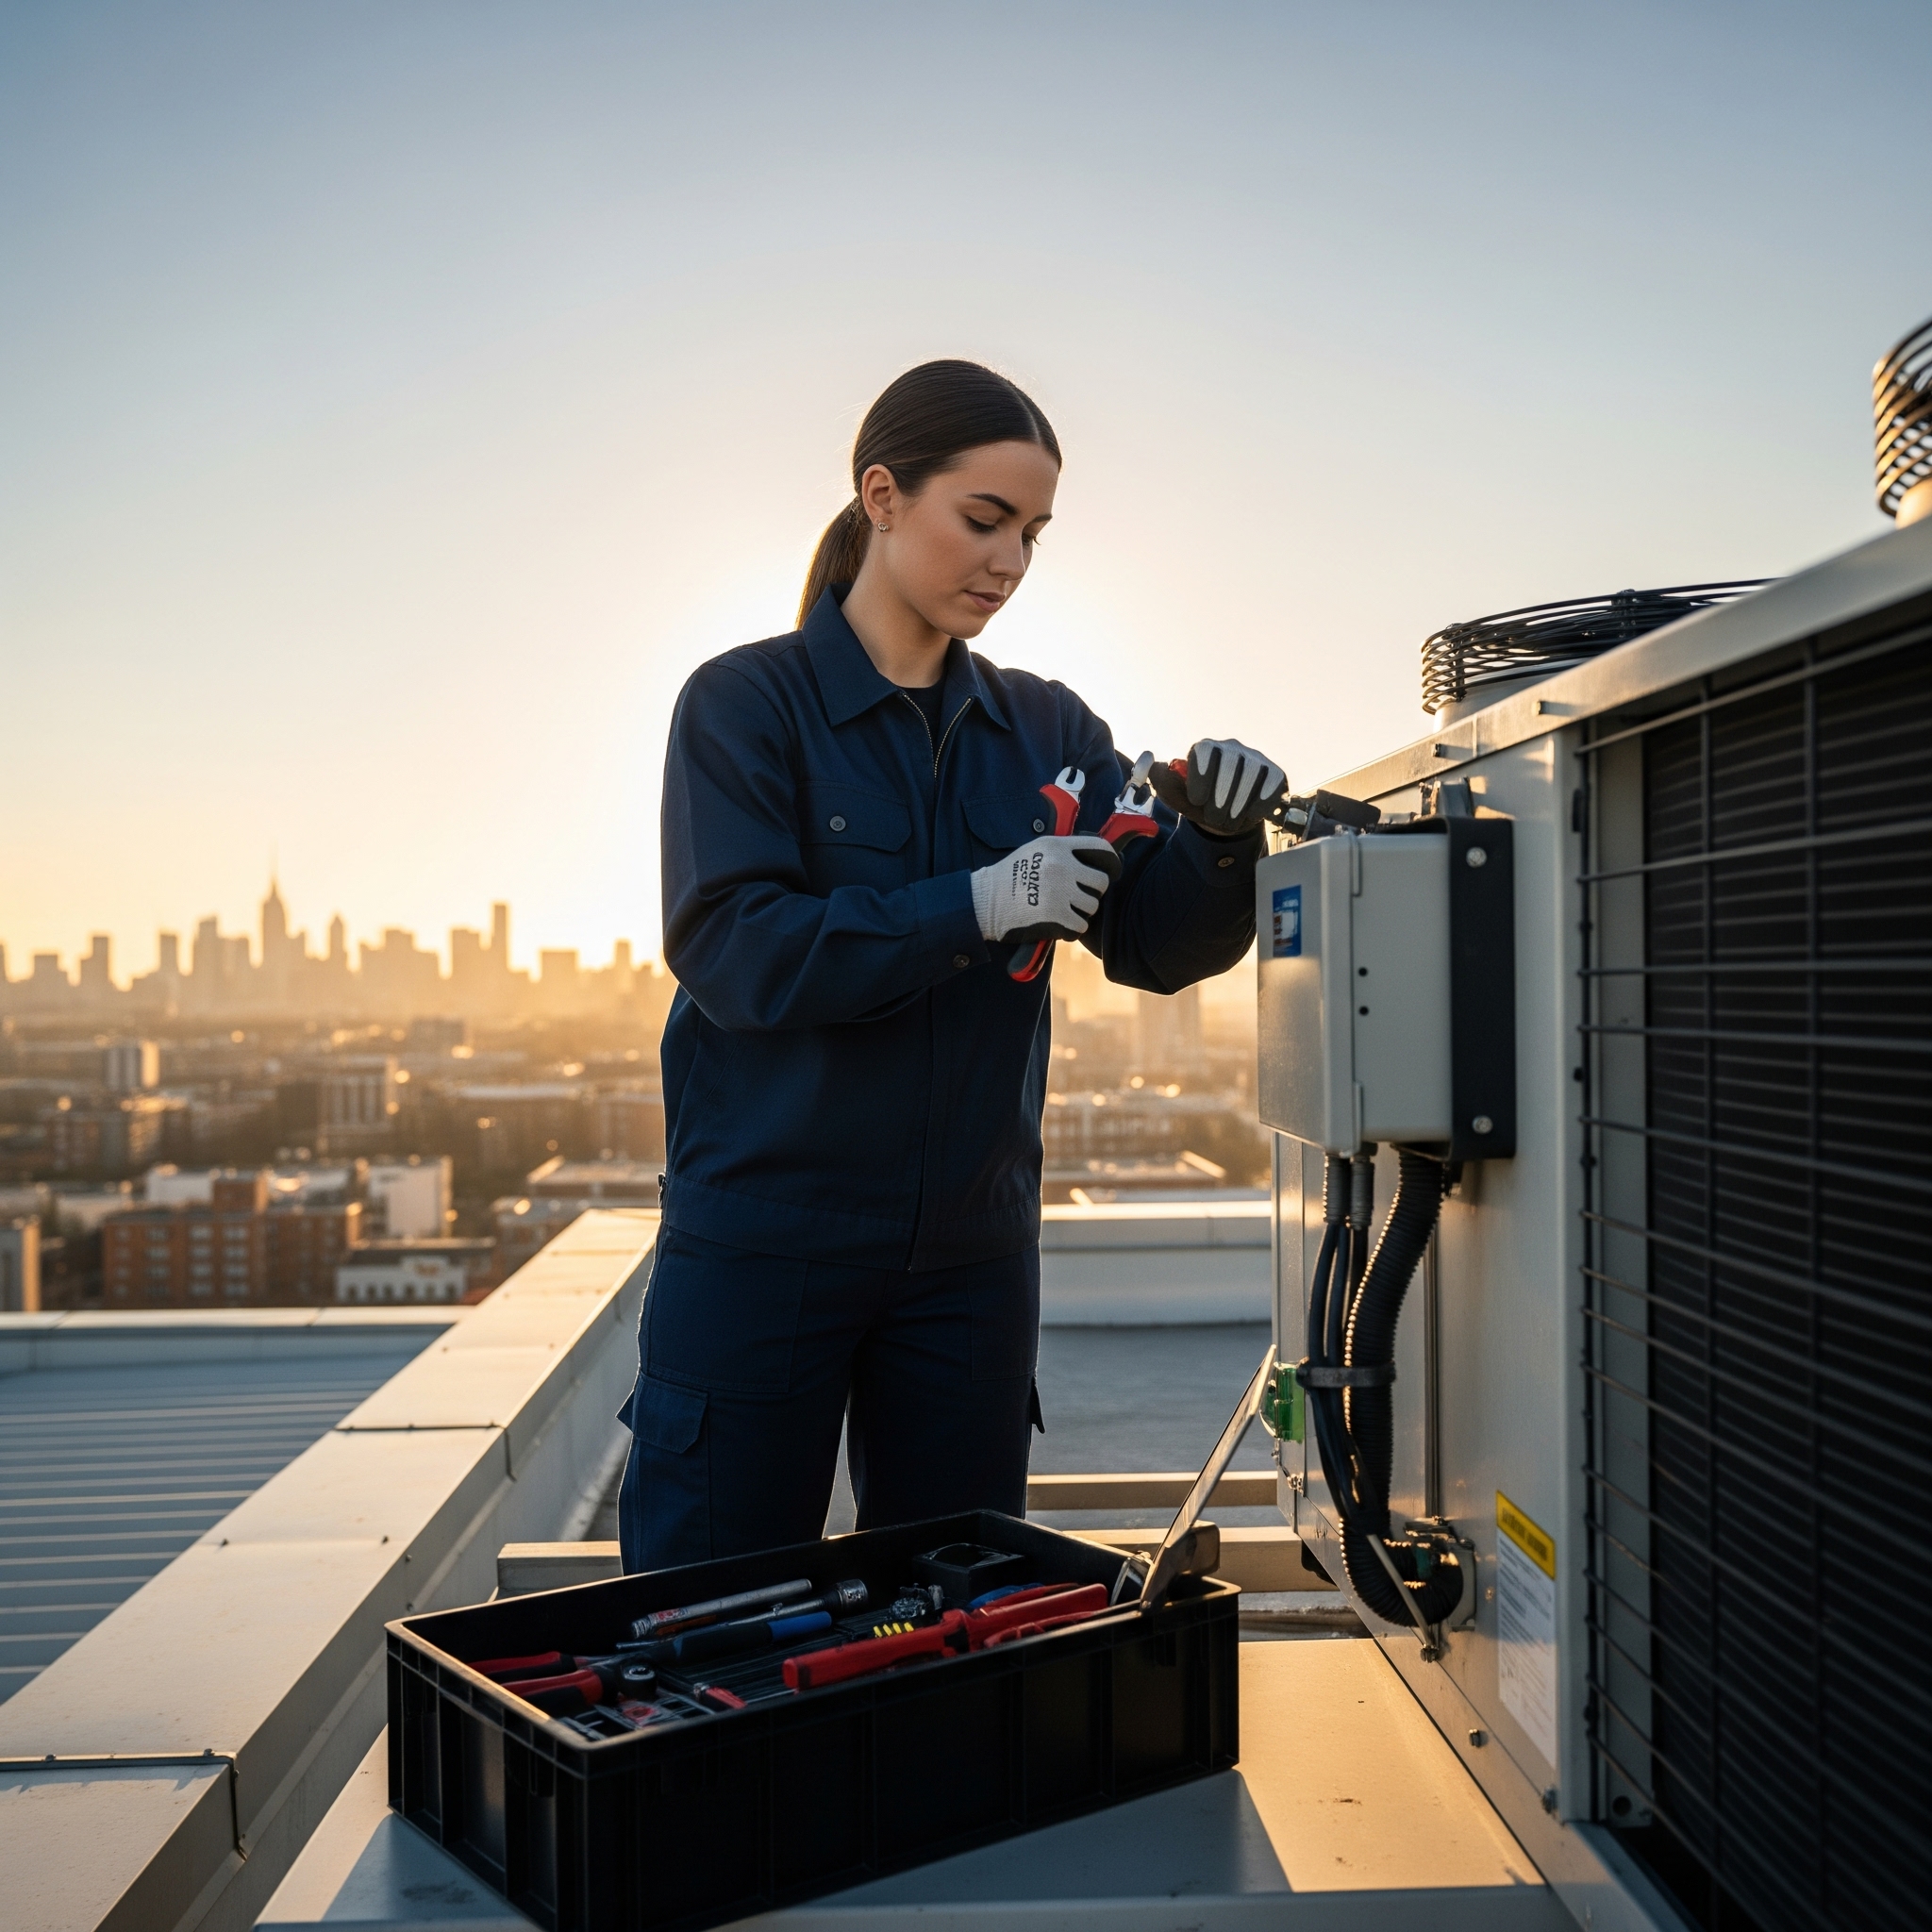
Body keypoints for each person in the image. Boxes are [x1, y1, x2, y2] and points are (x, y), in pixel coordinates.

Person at [618, 359, 1287, 1572]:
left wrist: (1222, 842)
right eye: (982, 520)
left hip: (971, 1258)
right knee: (702, 1601)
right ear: (880, 495)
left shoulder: (1051, 732)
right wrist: (971, 905)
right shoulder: (743, 706)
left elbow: (1150, 941)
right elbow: (735, 952)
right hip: (765, 1244)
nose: (1009, 561)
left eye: (1030, 534)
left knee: (951, 1611)